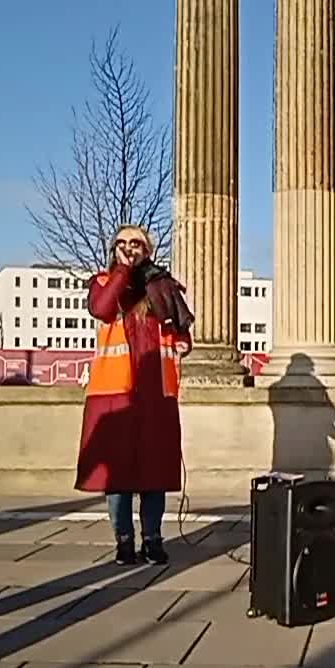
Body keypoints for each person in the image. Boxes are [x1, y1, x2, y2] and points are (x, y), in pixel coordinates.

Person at [76, 225, 193, 565]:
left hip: (156, 393)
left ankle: (153, 540)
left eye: (137, 243)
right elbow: (101, 308)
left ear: (149, 249)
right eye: (122, 243)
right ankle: (124, 542)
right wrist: (124, 270)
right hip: (115, 393)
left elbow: (182, 332)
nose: (129, 247)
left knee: (153, 474)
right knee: (118, 476)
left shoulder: (163, 286)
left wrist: (181, 343)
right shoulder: (103, 281)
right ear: (114, 249)